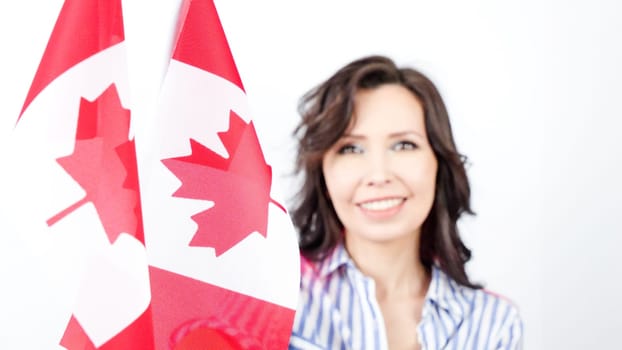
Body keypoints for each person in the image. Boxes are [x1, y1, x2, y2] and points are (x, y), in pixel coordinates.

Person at [288, 55, 523, 349]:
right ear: (322, 174)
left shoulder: (492, 324)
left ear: (439, 165)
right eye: (350, 148)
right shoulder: (273, 298)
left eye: (403, 145)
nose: (378, 175)